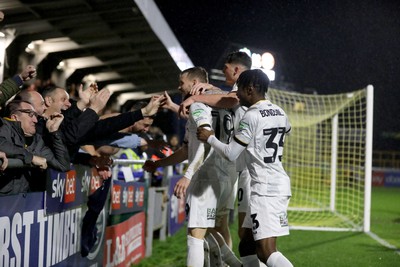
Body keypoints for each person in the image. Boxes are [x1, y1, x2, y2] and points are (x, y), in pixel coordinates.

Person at [144, 67, 241, 267]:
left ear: (195, 83)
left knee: (195, 234)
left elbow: (205, 139)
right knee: (215, 229)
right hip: (228, 174)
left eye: (182, 82)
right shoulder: (221, 101)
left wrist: (188, 175)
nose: (179, 87)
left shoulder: (198, 105)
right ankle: (235, 265)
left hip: (206, 175)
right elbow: (186, 149)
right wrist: (159, 164)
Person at [197, 69, 293, 267]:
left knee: (267, 252)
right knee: (246, 244)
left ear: (250, 89)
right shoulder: (280, 111)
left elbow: (232, 153)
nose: (237, 95)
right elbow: (287, 129)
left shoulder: (251, 116)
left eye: (239, 89)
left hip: (265, 188)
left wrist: (210, 138)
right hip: (274, 183)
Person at [0, 100, 70, 195]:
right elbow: (2, 144)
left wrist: (54, 132)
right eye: (30, 114)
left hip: (20, 203)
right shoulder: (3, 127)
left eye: (36, 116)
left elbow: (63, 165)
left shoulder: (36, 140)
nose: (35, 120)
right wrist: (31, 157)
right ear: (14, 117)